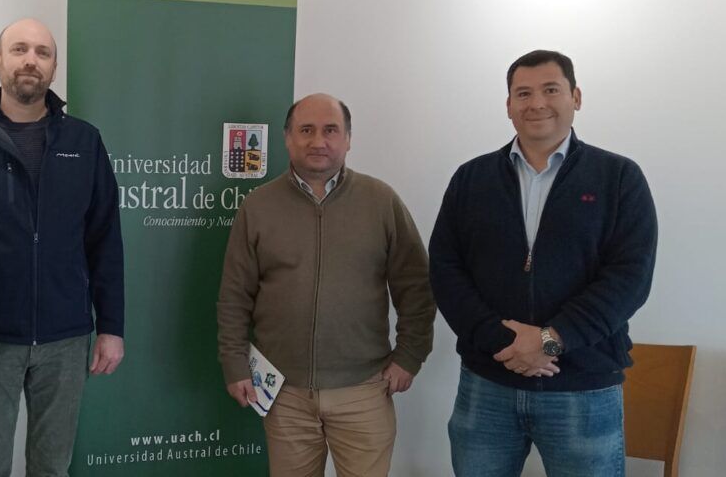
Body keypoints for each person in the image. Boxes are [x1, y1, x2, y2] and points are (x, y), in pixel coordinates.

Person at [429, 50, 658, 476]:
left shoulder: (620, 178)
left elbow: (630, 278)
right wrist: (504, 343)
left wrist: (550, 341)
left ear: (576, 96)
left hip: (583, 390)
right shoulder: (470, 179)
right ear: (509, 106)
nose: (536, 103)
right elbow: (445, 268)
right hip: (488, 385)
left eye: (550, 90)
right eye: (523, 93)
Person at [0, 18, 125, 477]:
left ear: (53, 69)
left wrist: (110, 326)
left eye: (42, 52)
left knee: (52, 466)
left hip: (65, 338)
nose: (30, 60)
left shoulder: (84, 142)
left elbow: (105, 240)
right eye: (19, 50)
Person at [217, 93, 436, 477]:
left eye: (330, 130)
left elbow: (416, 286)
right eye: (306, 130)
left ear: (348, 139)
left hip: (365, 390)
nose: (318, 141)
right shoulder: (258, 206)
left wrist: (409, 355)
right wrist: (234, 364)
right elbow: (235, 296)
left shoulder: (381, 201)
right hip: (284, 393)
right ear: (287, 138)